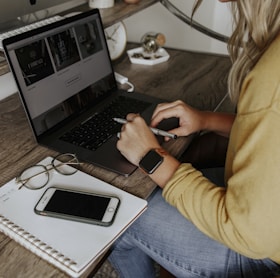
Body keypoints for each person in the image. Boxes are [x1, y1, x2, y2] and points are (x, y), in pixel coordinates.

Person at [108, 0, 280, 277]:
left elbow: (249, 236)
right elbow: (270, 136)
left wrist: (150, 156)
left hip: (259, 255)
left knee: (119, 208)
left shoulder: (273, 77)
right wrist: (206, 120)